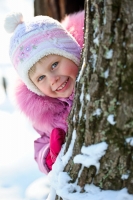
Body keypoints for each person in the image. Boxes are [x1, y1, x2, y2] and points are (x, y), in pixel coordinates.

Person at [4, 10, 84, 174]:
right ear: (33, 87)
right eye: (41, 78)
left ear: (72, 53)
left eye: (54, 65)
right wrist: (50, 156)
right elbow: (40, 148)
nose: (52, 79)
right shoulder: (47, 116)